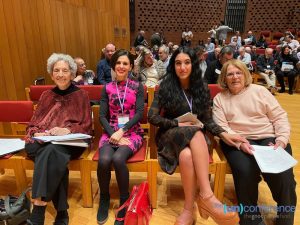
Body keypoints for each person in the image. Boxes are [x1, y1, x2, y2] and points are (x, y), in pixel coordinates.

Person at [148, 47, 243, 225]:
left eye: (186, 62)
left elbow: (207, 119)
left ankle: (188, 209)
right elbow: (152, 117)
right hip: (170, 136)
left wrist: (223, 134)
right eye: (178, 63)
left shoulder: (202, 88)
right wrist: (177, 123)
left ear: (193, 64)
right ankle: (207, 196)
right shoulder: (165, 87)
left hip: (195, 140)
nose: (182, 67)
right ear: (173, 66)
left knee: (187, 156)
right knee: (195, 131)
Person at [213, 59, 297, 225]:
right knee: (245, 171)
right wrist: (239, 143)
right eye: (230, 74)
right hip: (237, 140)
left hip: (269, 138)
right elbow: (221, 127)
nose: (235, 77)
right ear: (224, 78)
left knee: (284, 176)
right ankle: (251, 219)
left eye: (238, 73)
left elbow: (279, 117)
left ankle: (285, 219)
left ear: (245, 75)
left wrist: (281, 139)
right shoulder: (219, 99)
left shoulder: (260, 91)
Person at [25, 53, 92, 225]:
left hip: (71, 142)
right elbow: (33, 124)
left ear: (71, 73)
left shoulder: (81, 95)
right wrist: (38, 132)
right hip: (43, 142)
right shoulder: (46, 95)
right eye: (56, 70)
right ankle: (62, 212)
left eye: (65, 70)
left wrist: (67, 130)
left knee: (53, 152)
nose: (60, 74)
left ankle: (38, 209)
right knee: (52, 154)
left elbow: (86, 125)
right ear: (51, 73)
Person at [97, 49, 144, 225]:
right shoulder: (107, 88)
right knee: (103, 161)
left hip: (132, 133)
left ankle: (124, 201)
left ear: (130, 66)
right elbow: (102, 116)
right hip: (110, 132)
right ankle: (104, 198)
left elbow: (139, 113)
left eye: (125, 63)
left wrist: (121, 132)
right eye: (118, 63)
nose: (121, 66)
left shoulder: (138, 86)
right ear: (113, 65)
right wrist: (113, 133)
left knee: (118, 159)